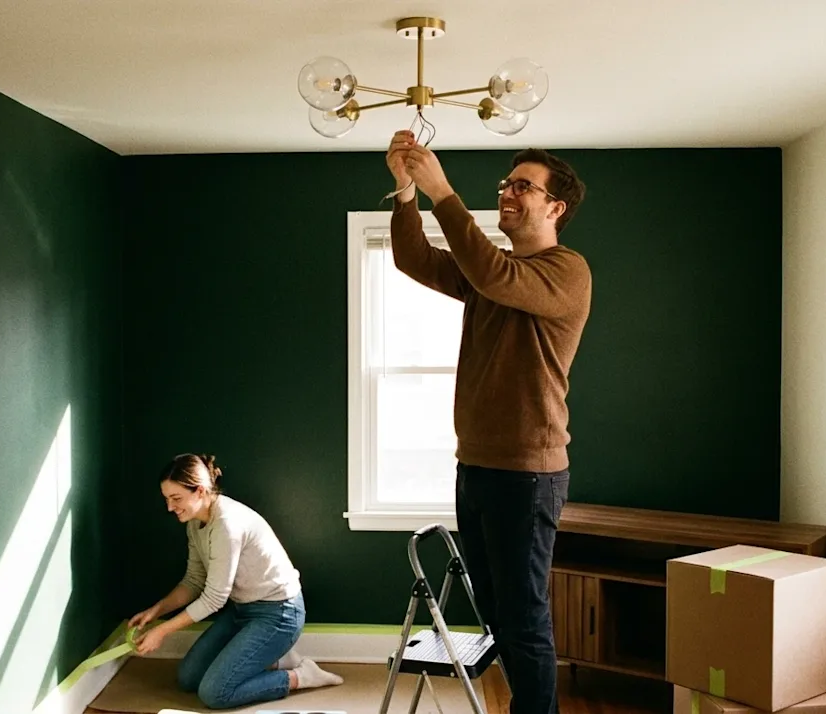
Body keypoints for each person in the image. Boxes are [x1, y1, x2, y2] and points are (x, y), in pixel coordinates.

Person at [384, 130, 592, 714]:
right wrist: (405, 191)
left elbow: (497, 276)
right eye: (506, 183)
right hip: (475, 467)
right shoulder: (487, 274)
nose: (507, 192)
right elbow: (413, 258)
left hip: (527, 477)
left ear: (556, 207)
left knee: (524, 623)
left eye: (523, 186)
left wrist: (442, 190)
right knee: (499, 618)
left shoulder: (565, 271)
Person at [130, 453, 343, 709]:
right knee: (188, 678)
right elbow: (194, 581)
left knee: (214, 694)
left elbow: (214, 598)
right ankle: (276, 659)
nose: (170, 507)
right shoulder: (195, 523)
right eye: (167, 499)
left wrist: (162, 631)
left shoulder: (227, 525)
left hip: (279, 614)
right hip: (242, 610)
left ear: (199, 491)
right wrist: (156, 611)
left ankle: (301, 675)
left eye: (176, 499)